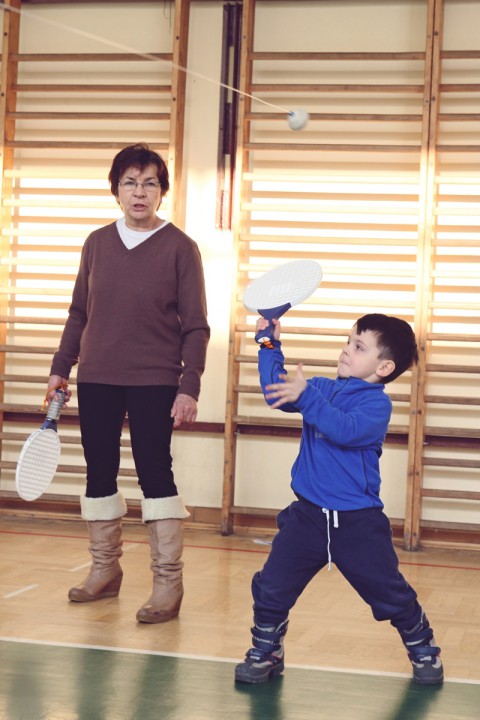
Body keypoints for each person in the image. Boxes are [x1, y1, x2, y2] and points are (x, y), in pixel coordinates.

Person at [46, 143, 210, 623]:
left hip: (155, 380)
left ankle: (168, 584)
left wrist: (189, 386)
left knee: (155, 474)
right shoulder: (96, 243)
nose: (140, 192)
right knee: (99, 472)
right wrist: (61, 367)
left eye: (150, 183)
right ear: (116, 190)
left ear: (162, 191)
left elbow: (196, 326)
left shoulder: (181, 248)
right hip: (97, 375)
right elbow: (79, 312)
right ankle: (105, 571)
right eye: (130, 183)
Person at [235, 313, 443, 686]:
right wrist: (268, 344)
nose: (346, 350)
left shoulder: (376, 406)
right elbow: (275, 391)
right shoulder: (319, 387)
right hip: (307, 518)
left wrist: (307, 397)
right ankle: (267, 649)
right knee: (272, 586)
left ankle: (422, 645)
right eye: (348, 341)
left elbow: (343, 429)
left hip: (357, 524)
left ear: (384, 367)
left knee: (389, 594)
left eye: (359, 347)